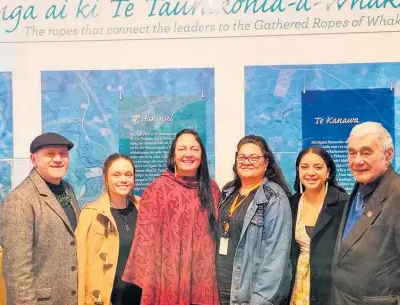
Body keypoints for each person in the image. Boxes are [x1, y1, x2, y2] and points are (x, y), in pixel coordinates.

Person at [122, 129, 220, 305]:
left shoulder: (212, 189)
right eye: (182, 149)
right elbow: (145, 241)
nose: (188, 154)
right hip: (168, 280)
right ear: (173, 155)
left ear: (202, 155)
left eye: (194, 149)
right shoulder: (157, 189)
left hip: (203, 281)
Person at [332, 122, 400, 305]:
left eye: (366, 152)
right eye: (352, 152)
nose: (357, 161)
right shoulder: (359, 187)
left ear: (388, 154)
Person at [0, 132, 80, 305]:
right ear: (33, 159)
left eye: (63, 154)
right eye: (50, 154)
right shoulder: (20, 200)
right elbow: (16, 271)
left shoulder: (68, 189)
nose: (58, 159)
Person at [216, 135, 293, 305]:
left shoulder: (274, 197)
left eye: (254, 158)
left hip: (248, 296)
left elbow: (276, 256)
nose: (246, 162)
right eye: (242, 157)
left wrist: (261, 300)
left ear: (266, 163)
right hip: (220, 291)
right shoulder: (228, 192)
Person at [76, 153, 141, 305]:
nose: (123, 179)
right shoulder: (91, 214)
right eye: (116, 175)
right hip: (106, 299)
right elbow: (81, 264)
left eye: (128, 174)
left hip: (139, 297)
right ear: (106, 179)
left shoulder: (143, 209)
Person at [288, 146, 348, 305]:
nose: (311, 173)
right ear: (298, 171)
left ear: (328, 172)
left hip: (330, 290)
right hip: (296, 287)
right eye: (304, 167)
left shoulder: (343, 204)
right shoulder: (292, 204)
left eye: (318, 167)